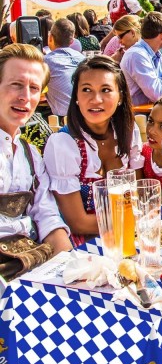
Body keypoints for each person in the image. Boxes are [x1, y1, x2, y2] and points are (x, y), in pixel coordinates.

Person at [43, 55, 144, 247]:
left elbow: (137, 194)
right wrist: (133, 222)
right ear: (77, 98)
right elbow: (78, 223)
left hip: (129, 237)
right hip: (84, 247)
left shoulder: (129, 133)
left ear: (120, 96)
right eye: (86, 90)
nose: (95, 100)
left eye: (105, 90)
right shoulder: (63, 144)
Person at [0, 43, 71, 257]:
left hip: (26, 262)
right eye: (16, 84)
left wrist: (72, 266)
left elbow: (46, 216)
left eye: (34, 88)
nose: (25, 96)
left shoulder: (30, 154)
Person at [120, 11, 162, 105]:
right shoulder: (137, 55)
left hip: (151, 112)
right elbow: (157, 94)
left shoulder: (157, 55)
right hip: (139, 116)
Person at [44, 18, 85, 119]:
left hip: (63, 118)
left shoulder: (46, 62)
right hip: (85, 114)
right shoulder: (83, 58)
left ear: (50, 38)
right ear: (72, 41)